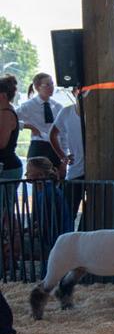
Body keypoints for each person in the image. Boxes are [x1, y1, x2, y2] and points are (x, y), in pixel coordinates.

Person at [16, 73, 63, 175]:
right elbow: (10, 120)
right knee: (37, 182)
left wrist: (64, 155)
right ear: (37, 87)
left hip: (56, 148)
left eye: (52, 84)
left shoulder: (58, 106)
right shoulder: (28, 106)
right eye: (47, 85)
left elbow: (64, 132)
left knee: (56, 180)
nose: (51, 88)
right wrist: (28, 126)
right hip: (39, 145)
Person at [50, 90, 85, 223]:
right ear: (74, 92)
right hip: (76, 170)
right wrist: (62, 156)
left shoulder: (97, 112)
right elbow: (52, 134)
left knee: (96, 213)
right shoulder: (66, 112)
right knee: (67, 213)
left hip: (97, 171)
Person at [24, 156, 73, 251]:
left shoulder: (48, 193)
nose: (26, 174)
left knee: (13, 242)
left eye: (29, 172)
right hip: (56, 238)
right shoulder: (44, 190)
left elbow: (46, 225)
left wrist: (24, 233)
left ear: (41, 175)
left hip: (55, 242)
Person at [0, 75, 22, 209]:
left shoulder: (5, 114)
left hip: (6, 167)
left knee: (4, 209)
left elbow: (2, 143)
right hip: (7, 166)